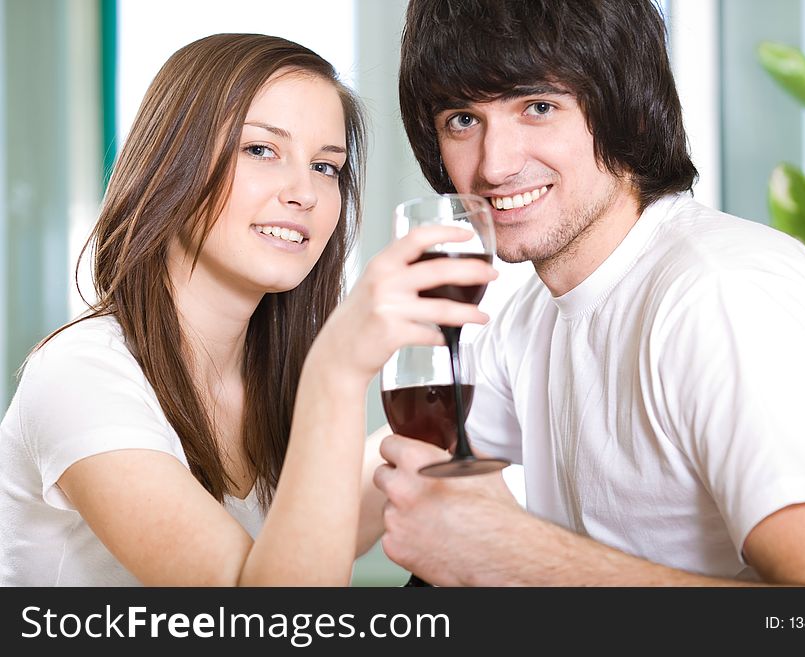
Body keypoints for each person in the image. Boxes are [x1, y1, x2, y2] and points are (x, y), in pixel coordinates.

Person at [372, 0, 805, 586]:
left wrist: (522, 556)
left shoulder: (723, 298)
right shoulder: (532, 318)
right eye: (463, 119)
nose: (493, 166)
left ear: (629, 110)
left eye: (538, 107)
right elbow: (399, 461)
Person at [0, 33, 495, 586]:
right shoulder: (81, 374)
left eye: (327, 167)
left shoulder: (267, 381)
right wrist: (336, 370)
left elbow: (316, 532)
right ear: (172, 163)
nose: (303, 192)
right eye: (260, 150)